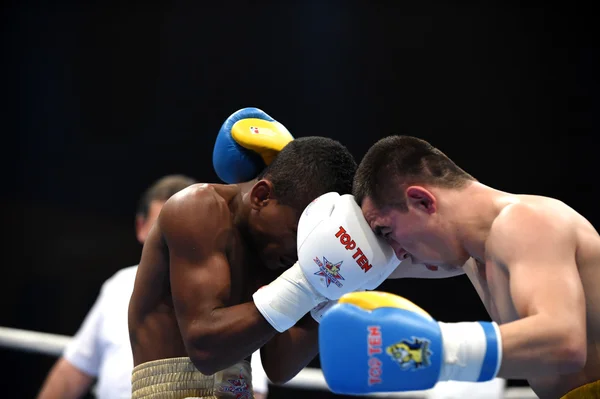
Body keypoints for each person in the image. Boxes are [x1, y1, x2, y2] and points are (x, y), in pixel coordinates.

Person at [128, 105, 404, 398]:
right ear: (262, 196)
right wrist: (308, 283)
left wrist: (333, 287)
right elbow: (205, 349)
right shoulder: (196, 210)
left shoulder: (281, 252)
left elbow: (280, 367)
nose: (304, 252)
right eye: (298, 232)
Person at [318, 135, 600, 399]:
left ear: (422, 201)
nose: (398, 251)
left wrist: (438, 351)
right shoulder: (474, 258)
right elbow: (366, 266)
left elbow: (565, 343)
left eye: (387, 231)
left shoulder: (525, 222)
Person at [35, 175, 271, 399]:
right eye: (163, 226)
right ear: (141, 227)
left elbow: (250, 386)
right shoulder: (119, 284)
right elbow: (75, 368)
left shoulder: (232, 288)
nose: (174, 237)